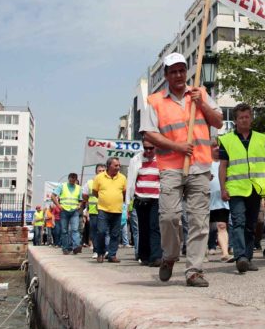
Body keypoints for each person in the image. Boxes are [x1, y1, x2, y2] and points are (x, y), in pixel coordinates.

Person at [142, 52, 223, 288]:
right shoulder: (154, 101)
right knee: (169, 217)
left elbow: (217, 121)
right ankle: (169, 255)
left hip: (199, 166)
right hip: (170, 167)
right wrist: (177, 146)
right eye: (173, 71)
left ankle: (194, 270)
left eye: (181, 70)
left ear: (186, 72)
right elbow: (149, 133)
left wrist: (202, 104)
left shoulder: (200, 94)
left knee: (198, 220)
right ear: (166, 75)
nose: (178, 75)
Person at [218, 103, 265, 273]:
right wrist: (223, 188)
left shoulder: (261, 138)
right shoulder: (227, 140)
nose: (244, 120)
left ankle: (248, 258)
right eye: (241, 118)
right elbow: (222, 166)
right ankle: (240, 257)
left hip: (256, 188)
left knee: (251, 224)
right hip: (236, 188)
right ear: (235, 121)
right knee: (239, 221)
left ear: (251, 118)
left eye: (247, 117)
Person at [126, 138, 162, 267]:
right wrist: (128, 203)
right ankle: (144, 256)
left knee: (154, 227)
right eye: (145, 148)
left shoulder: (161, 160)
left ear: (156, 147)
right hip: (140, 199)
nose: (148, 151)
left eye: (151, 148)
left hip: (156, 199)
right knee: (143, 228)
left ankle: (156, 256)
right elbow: (130, 182)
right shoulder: (136, 160)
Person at [91, 158, 127, 263]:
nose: (118, 167)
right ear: (109, 166)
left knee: (115, 234)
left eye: (119, 165)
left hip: (117, 210)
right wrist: (104, 199)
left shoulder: (122, 178)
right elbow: (95, 192)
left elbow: (124, 193)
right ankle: (100, 253)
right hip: (103, 209)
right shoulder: (99, 177)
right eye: (116, 165)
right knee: (101, 232)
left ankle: (112, 255)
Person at [209, 143, 232, 262]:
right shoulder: (205, 164)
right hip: (205, 200)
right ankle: (201, 255)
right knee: (203, 228)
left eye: (219, 147)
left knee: (222, 226)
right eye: (214, 147)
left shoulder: (226, 164)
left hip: (221, 200)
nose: (217, 149)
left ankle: (225, 253)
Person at [51, 173, 83, 255]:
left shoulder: (79, 188)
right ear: (68, 179)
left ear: (76, 180)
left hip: (74, 211)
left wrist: (79, 205)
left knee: (75, 229)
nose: (72, 181)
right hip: (64, 211)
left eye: (74, 180)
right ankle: (65, 248)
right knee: (64, 230)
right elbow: (53, 196)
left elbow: (82, 199)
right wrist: (58, 205)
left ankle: (76, 246)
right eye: (71, 179)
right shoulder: (62, 186)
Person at [83, 164, 106, 259]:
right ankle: (96, 251)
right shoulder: (89, 183)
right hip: (93, 212)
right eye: (99, 170)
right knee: (94, 232)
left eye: (103, 170)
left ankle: (105, 250)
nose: (101, 172)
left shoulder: (109, 182)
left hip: (105, 210)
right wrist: (87, 208)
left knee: (104, 232)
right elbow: (84, 195)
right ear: (96, 172)